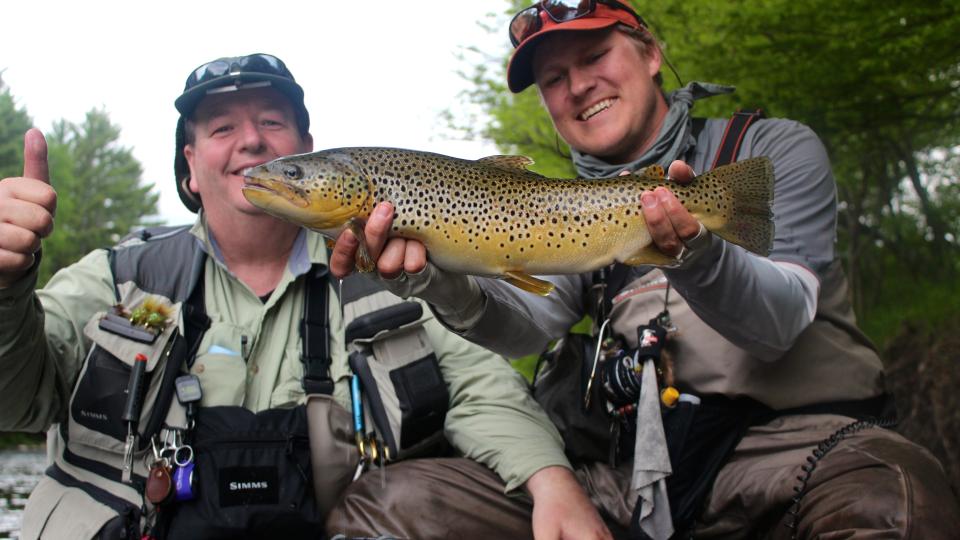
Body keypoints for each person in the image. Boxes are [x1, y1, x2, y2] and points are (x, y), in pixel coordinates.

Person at [330, 2, 960, 538]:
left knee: (894, 496)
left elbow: (782, 321)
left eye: (595, 56)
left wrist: (693, 251)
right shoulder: (563, 207)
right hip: (633, 469)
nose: (576, 86)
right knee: (393, 503)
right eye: (553, 79)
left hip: (790, 449)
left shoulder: (771, 151)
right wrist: (436, 280)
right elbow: (526, 330)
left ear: (651, 54)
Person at [0, 52, 611, 539]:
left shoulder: (397, 275)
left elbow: (484, 389)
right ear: (189, 165)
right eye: (221, 127)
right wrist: (5, 285)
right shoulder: (113, 279)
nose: (252, 142)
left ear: (310, 147)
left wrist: (551, 481)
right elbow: (18, 402)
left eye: (271, 122)